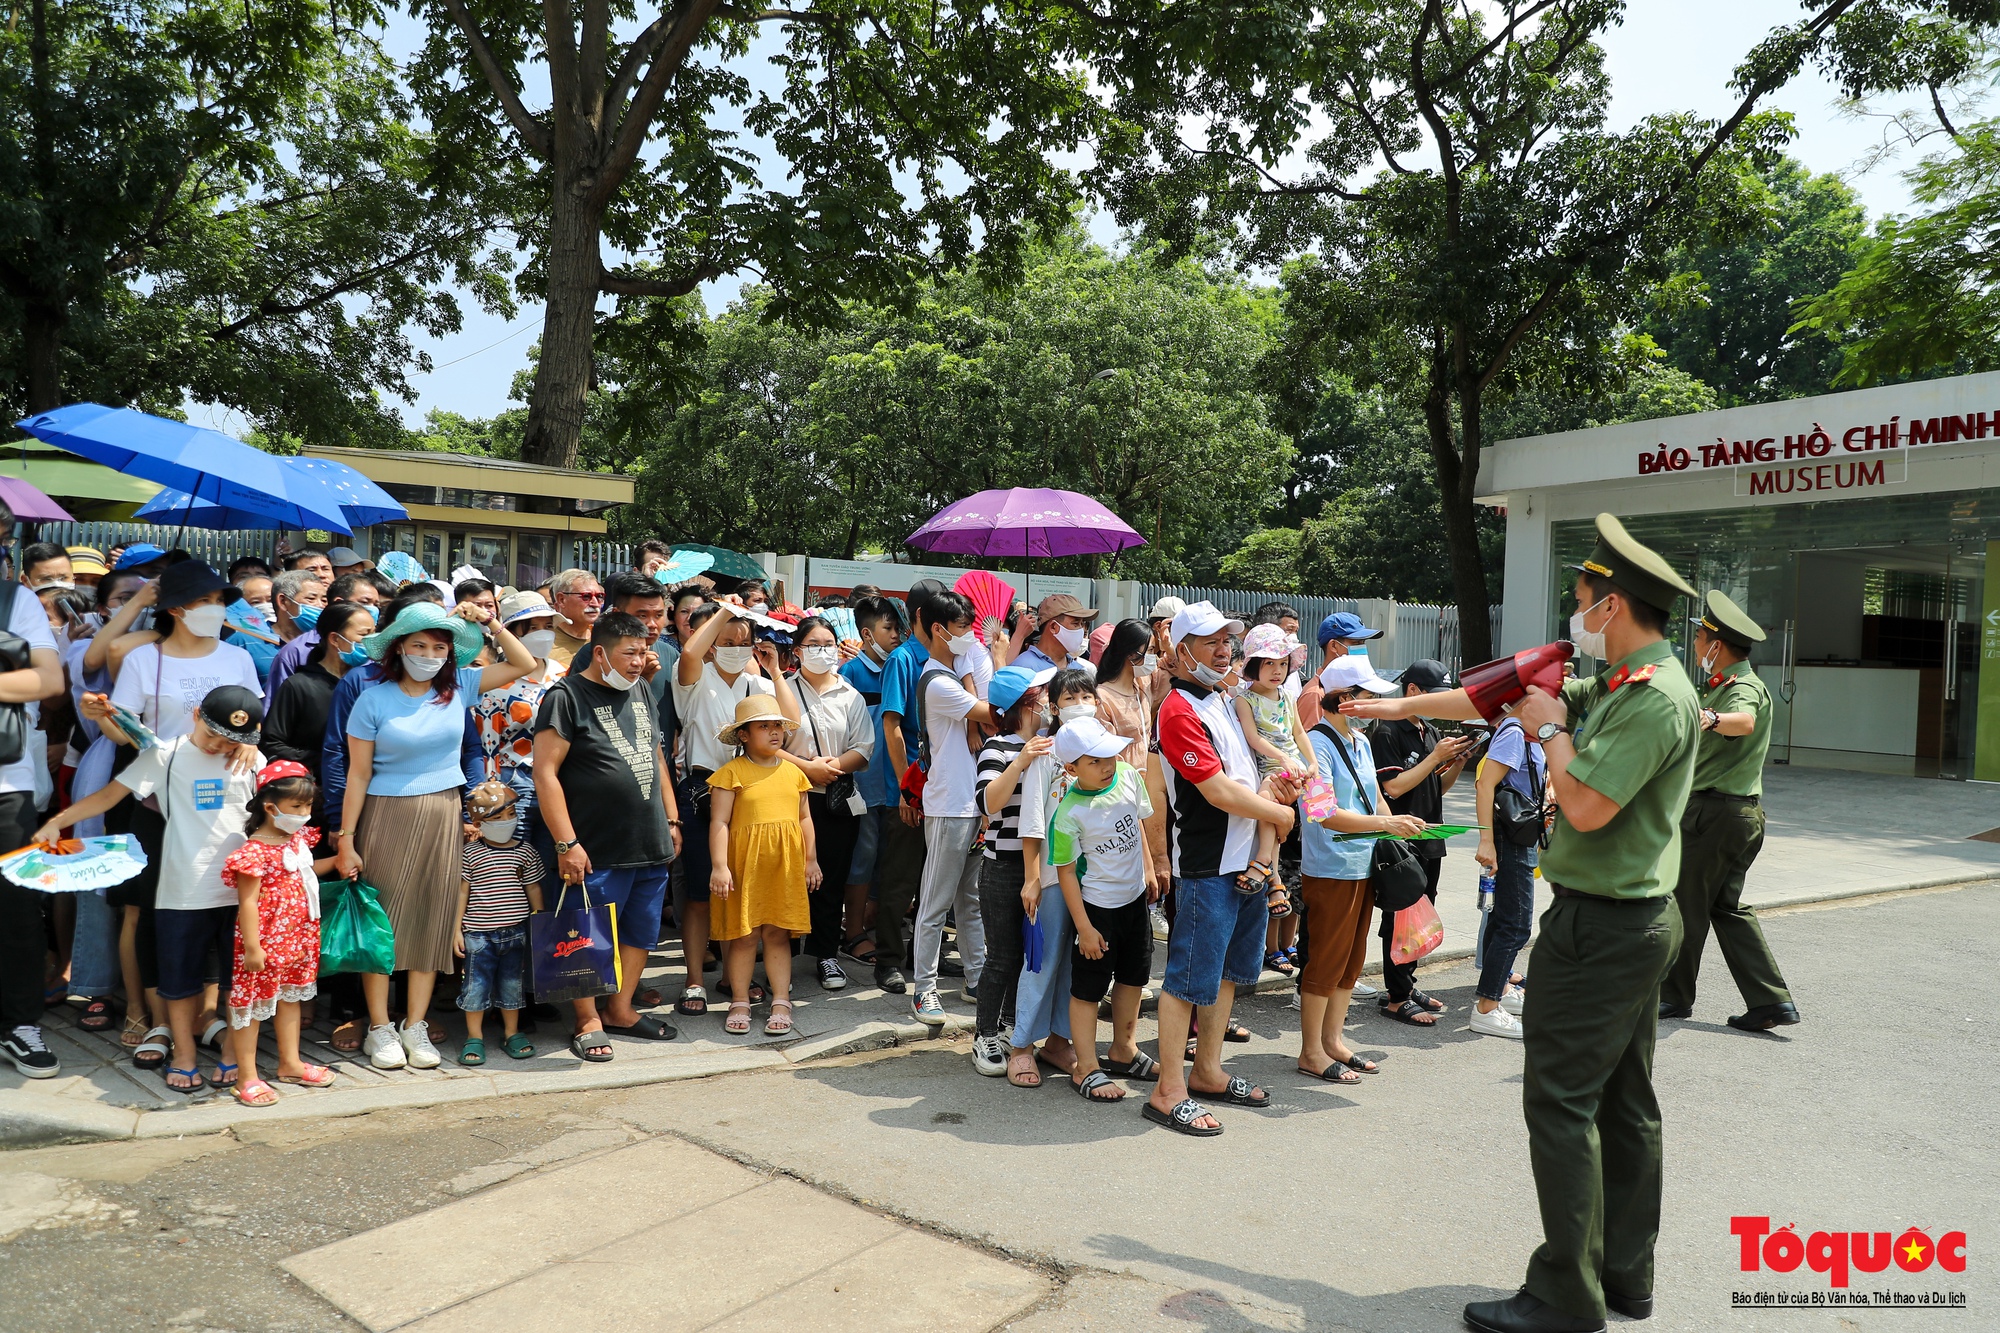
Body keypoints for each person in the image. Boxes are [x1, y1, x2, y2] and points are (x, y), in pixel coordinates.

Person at [1349, 513, 1697, 1333]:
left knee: (1561, 1103)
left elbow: (1582, 799)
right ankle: (1623, 1275)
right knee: (1623, 1101)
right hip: (1629, 917)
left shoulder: (1652, 699)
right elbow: (1488, 693)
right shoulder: (1622, 680)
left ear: (1611, 606)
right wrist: (1386, 704)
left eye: (1582, 598)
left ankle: (1565, 1295)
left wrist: (1549, 730)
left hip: (1607, 925)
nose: (1573, 612)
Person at [334, 600, 533, 1070]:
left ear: (450, 654)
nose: (427, 653)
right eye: (418, 644)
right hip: (384, 815)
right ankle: (380, 1028)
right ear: (399, 648)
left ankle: (415, 1025)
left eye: (438, 647)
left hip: (445, 812)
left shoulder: (460, 685)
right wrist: (345, 839)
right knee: (383, 925)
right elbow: (357, 775)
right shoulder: (371, 697)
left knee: (432, 920)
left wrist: (488, 621)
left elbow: (525, 663)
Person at [36, 685, 265, 1092]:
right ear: (195, 714)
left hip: (243, 893)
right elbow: (110, 795)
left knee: (238, 982)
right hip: (181, 889)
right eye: (212, 734)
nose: (218, 746)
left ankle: (232, 1054)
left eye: (230, 740)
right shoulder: (166, 754)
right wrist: (59, 821)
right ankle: (184, 1055)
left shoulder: (251, 758)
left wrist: (253, 748)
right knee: (178, 981)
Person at [1142, 601, 1297, 1137]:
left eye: (1227, 640)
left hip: (1246, 862)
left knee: (1229, 975)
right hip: (1207, 867)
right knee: (1186, 981)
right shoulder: (1179, 709)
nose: (1224, 649)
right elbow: (1214, 789)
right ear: (1180, 648)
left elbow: (1245, 772)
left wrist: (1275, 790)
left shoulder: (1226, 700)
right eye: (1210, 641)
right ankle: (1168, 1090)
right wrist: (1276, 812)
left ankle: (1207, 1070)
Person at [533, 610, 682, 1057]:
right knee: (586, 931)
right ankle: (587, 1017)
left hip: (649, 839)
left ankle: (619, 1008)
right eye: (629, 652)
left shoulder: (640, 690)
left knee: (641, 931)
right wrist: (567, 843)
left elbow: (656, 758)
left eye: (644, 652)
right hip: (594, 846)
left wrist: (672, 820)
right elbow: (545, 773)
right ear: (600, 652)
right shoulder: (565, 697)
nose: (639, 662)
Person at [1660, 590, 1796, 1032]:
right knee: (1727, 908)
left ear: (1716, 644)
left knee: (1686, 904)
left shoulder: (1741, 688)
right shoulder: (1719, 686)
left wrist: (1713, 719)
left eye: (1700, 638)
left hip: (1716, 815)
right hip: (1732, 814)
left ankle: (1674, 998)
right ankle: (1771, 1001)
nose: (1696, 645)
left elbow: (1744, 722)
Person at [1297, 655, 1421, 1085]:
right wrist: (1386, 823)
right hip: (1330, 868)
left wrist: (1400, 828)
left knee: (1351, 961)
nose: (1374, 708)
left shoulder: (1361, 743)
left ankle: (1332, 1040)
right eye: (1369, 698)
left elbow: (1375, 800)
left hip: (1365, 863)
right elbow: (1322, 813)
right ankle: (1311, 1050)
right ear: (1345, 700)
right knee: (1326, 960)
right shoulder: (1313, 744)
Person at [672, 599, 797, 1014]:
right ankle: (694, 980)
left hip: (753, 791)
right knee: (700, 892)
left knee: (738, 893)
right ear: (711, 642)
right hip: (703, 788)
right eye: (727, 641)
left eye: (744, 642)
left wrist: (774, 670)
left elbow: (790, 722)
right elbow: (690, 651)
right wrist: (727, 611)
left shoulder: (756, 684)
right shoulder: (693, 677)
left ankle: (732, 977)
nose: (736, 648)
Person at [1050, 717, 1162, 1103]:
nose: (1107, 764)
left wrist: (1148, 868)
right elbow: (1065, 873)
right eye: (1093, 761)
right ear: (1071, 769)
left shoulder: (1130, 775)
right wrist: (1083, 927)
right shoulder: (1068, 814)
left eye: (1108, 755)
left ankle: (1123, 1049)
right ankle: (1085, 1066)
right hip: (1098, 909)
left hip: (1134, 901)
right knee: (1088, 989)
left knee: (1134, 976)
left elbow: (1139, 825)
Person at [222, 761, 339, 1106]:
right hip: (264, 942)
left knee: (290, 999)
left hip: (298, 937)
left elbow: (305, 871)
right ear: (270, 806)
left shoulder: (296, 841)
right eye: (296, 807)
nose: (304, 813)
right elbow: (248, 903)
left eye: (307, 806)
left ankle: (290, 1062)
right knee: (252, 1004)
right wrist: (253, 947)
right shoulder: (254, 852)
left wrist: (338, 861)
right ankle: (247, 1076)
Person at [906, 590, 997, 1026]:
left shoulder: (954, 672)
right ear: (939, 630)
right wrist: (991, 657)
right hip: (947, 807)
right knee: (935, 902)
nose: (970, 636)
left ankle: (976, 977)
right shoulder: (938, 682)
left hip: (971, 803)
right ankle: (924, 990)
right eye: (963, 628)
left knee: (971, 900)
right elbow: (994, 713)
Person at [1368, 658, 1472, 1025]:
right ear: (1412, 692)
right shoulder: (1387, 731)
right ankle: (1396, 996)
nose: (1443, 704)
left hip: (1430, 834)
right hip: (1400, 839)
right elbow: (1393, 787)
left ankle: (1407, 984)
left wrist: (1456, 762)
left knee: (1422, 912)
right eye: (1436, 695)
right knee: (1401, 915)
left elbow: (1435, 787)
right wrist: (1435, 756)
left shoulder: (1426, 730)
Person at [708, 694, 815, 1035]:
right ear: (743, 735)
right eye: (764, 726)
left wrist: (811, 860)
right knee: (743, 936)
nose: (774, 732)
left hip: (784, 867)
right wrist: (720, 866)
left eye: (778, 726)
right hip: (744, 867)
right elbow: (720, 823)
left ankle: (781, 999)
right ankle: (740, 998)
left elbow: (804, 817)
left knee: (778, 933)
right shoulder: (730, 773)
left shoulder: (795, 772)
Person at [968, 663, 1055, 1078]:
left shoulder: (1049, 744)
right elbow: (989, 804)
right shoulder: (998, 748)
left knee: (1027, 955)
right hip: (1003, 865)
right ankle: (984, 1033)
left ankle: (1008, 1028)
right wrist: (1019, 762)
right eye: (1041, 695)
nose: (1048, 701)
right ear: (1023, 704)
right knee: (1002, 955)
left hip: (1043, 865)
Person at [783, 616, 873, 992]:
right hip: (790, 798)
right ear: (798, 651)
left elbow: (863, 749)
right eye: (813, 644)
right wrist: (808, 768)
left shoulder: (850, 695)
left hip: (835, 801)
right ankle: (782, 954)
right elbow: (766, 744)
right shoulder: (782, 690)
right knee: (788, 878)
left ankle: (826, 954)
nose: (823, 651)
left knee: (829, 880)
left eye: (829, 643)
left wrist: (830, 768)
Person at [836, 595, 905, 989]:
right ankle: (853, 933)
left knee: (887, 858)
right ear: (866, 633)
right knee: (862, 856)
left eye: (898, 628)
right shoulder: (850, 673)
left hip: (894, 783)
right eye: (887, 629)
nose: (895, 635)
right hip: (862, 782)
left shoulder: (901, 666)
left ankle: (874, 925)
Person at [455, 780, 544, 1064]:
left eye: (510, 814)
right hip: (477, 934)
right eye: (496, 818)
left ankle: (512, 1032)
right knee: (475, 987)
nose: (506, 821)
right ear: (479, 822)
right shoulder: (470, 853)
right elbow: (462, 891)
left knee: (511, 985)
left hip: (516, 932)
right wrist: (456, 929)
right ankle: (474, 1037)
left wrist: (541, 923)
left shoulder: (526, 851)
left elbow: (533, 888)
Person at [1232, 622, 1315, 921]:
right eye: (1270, 663)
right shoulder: (1244, 699)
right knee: (1270, 807)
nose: (1278, 670)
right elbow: (1254, 739)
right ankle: (1274, 882)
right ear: (1253, 664)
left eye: (1283, 663)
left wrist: (1312, 761)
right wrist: (1282, 757)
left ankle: (1262, 862)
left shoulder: (1288, 698)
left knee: (1267, 800)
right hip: (1272, 764)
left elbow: (1300, 734)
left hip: (1290, 769)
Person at [1472, 707, 1545, 1040]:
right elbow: (1485, 784)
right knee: (1516, 924)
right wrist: (1486, 841)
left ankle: (1496, 989)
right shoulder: (1515, 731)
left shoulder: (1529, 732)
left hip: (1520, 832)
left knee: (1504, 920)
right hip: (1510, 836)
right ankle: (1487, 1007)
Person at [1298, 609, 1383, 730]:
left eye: (1363, 643)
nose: (1362, 648)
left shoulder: (1348, 685)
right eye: (1356, 643)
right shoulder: (1315, 694)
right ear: (1333, 646)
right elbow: (1312, 743)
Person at [1014, 593, 1098, 675]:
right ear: (1053, 627)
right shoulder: (1023, 668)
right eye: (1075, 624)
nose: (1080, 630)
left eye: (1082, 624)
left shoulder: (1080, 670)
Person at [545, 568, 605, 668]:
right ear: (561, 600)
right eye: (586, 596)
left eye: (599, 596)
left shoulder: (606, 639)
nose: (595, 603)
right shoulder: (543, 642)